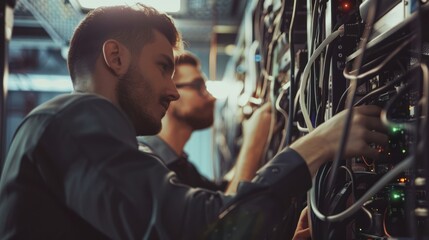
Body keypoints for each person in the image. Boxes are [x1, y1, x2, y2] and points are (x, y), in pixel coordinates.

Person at [0, 4, 388, 240]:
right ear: (115, 57)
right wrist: (318, 145)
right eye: (163, 67)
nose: (172, 90)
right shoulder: (73, 118)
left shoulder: (122, 152)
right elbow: (200, 230)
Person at [137, 51, 272, 193]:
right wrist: (254, 141)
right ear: (170, 93)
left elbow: (221, 196)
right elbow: (227, 213)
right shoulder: (145, 163)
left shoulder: (185, 168)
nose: (212, 98)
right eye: (198, 86)